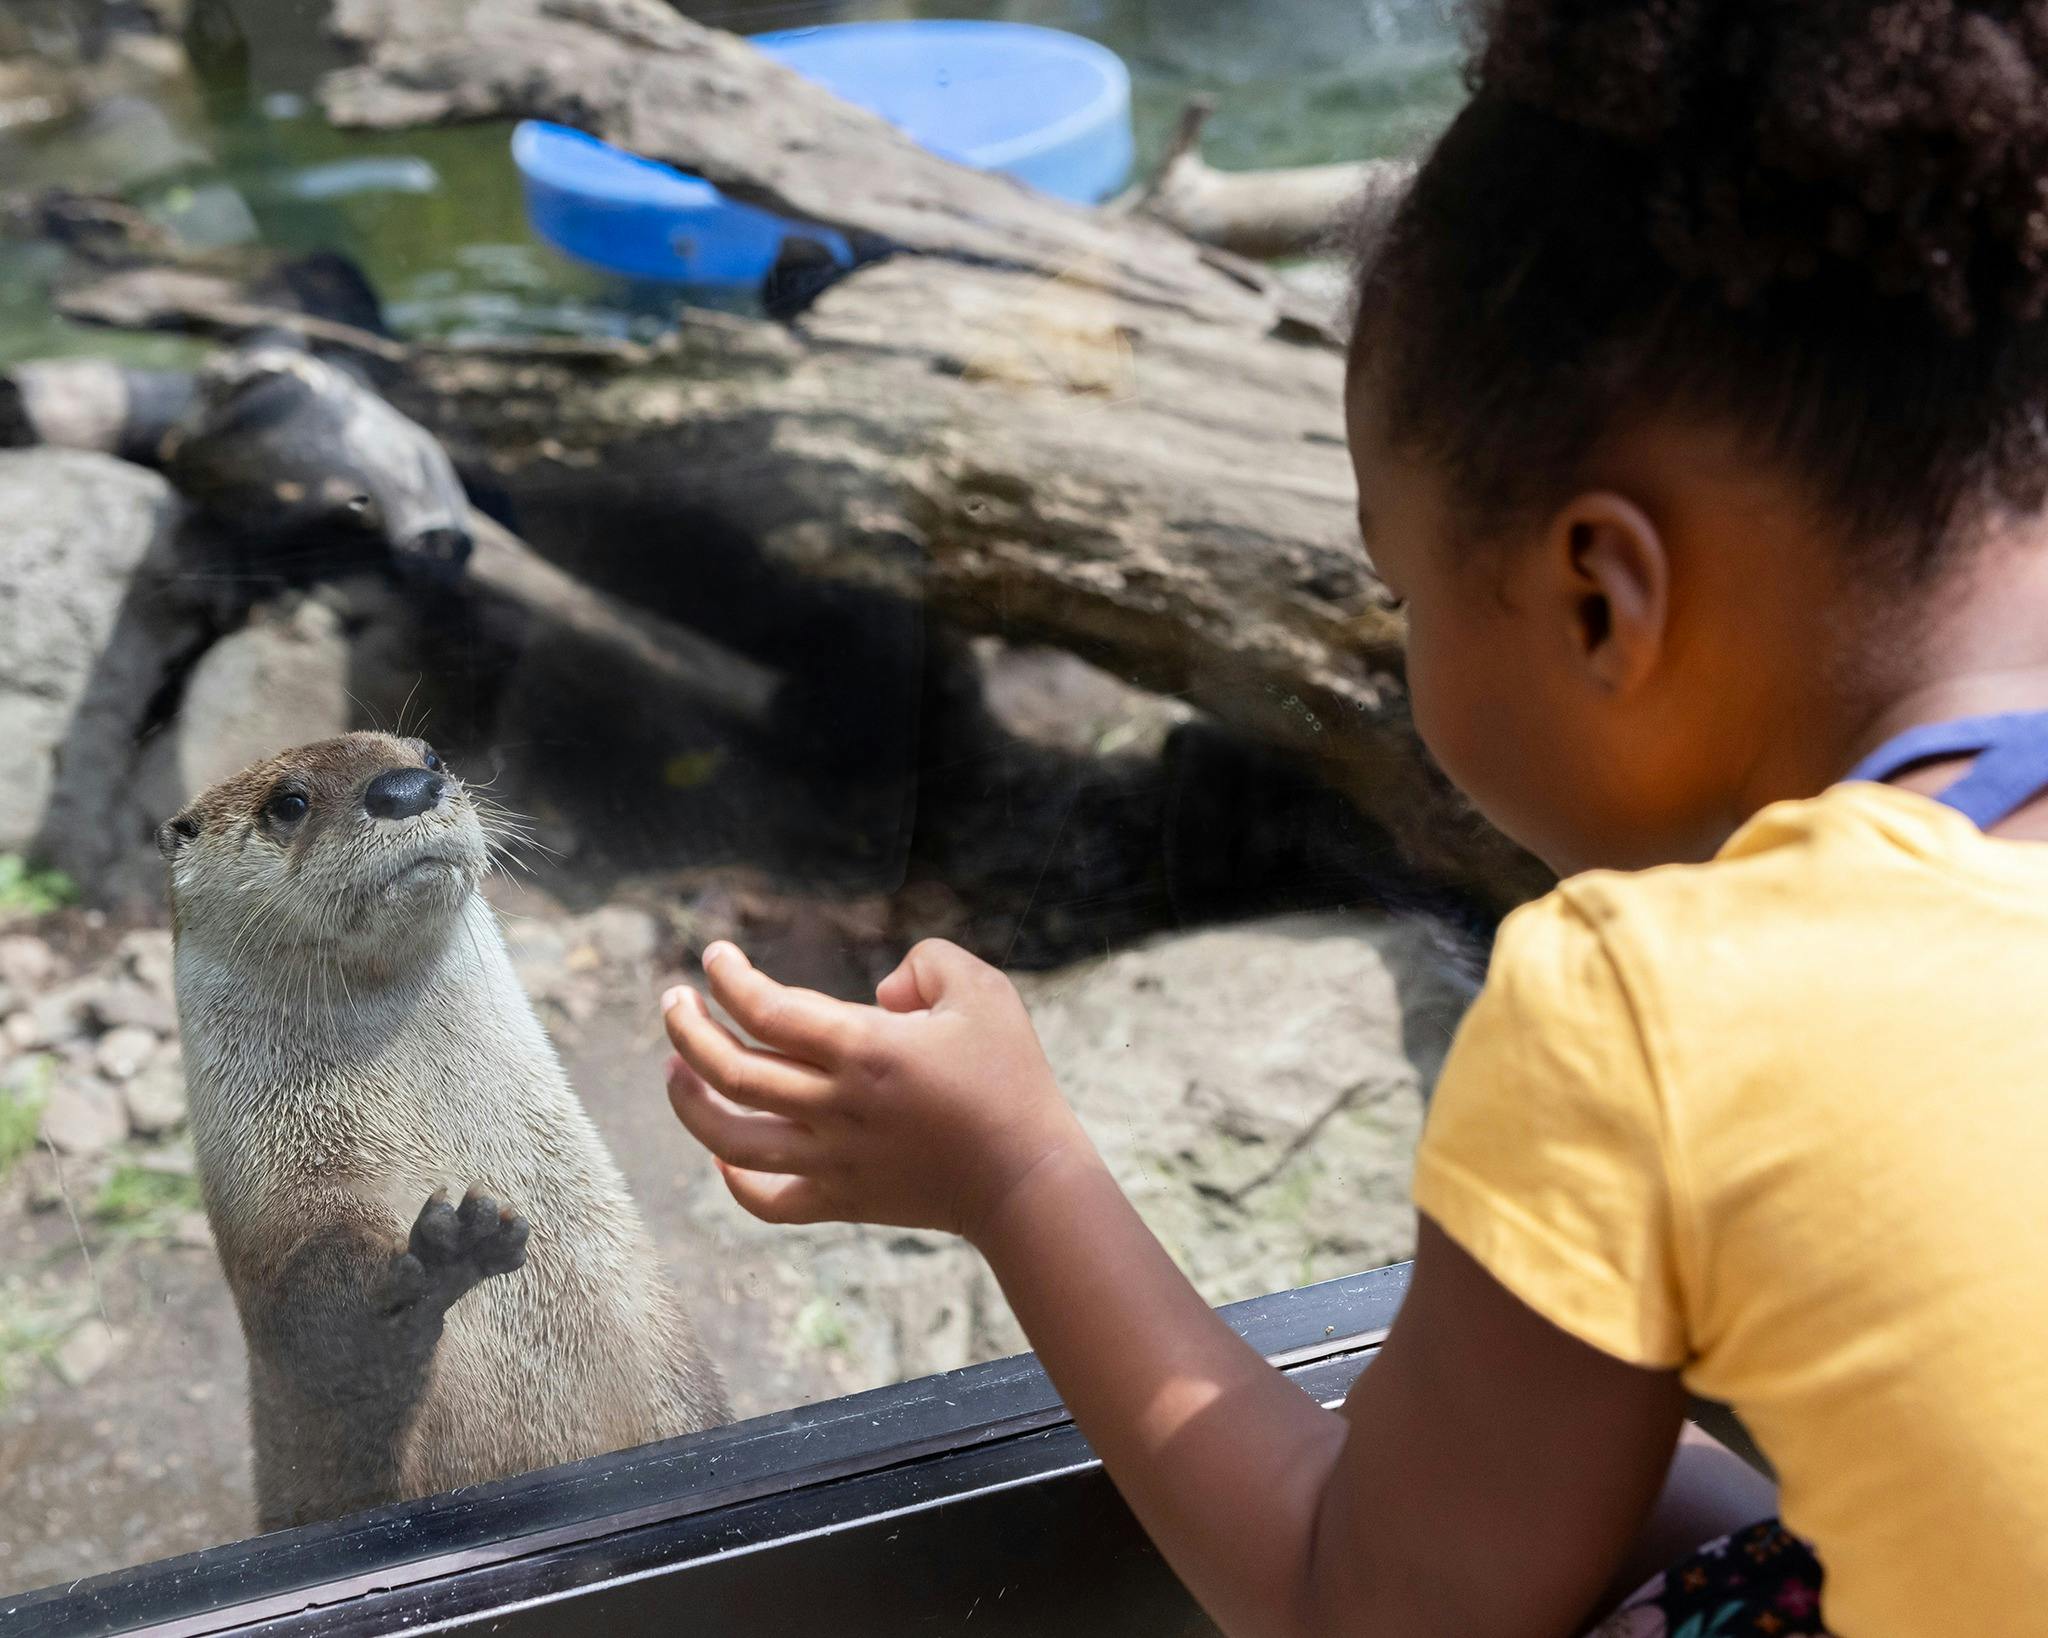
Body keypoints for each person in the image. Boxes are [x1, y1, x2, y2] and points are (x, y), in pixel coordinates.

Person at [659, 1, 2048, 1631]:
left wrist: (1013, 1166)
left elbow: (1352, 1609)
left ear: (1601, 599)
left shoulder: (1655, 1010)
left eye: (1400, 593)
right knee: (1625, 1477)